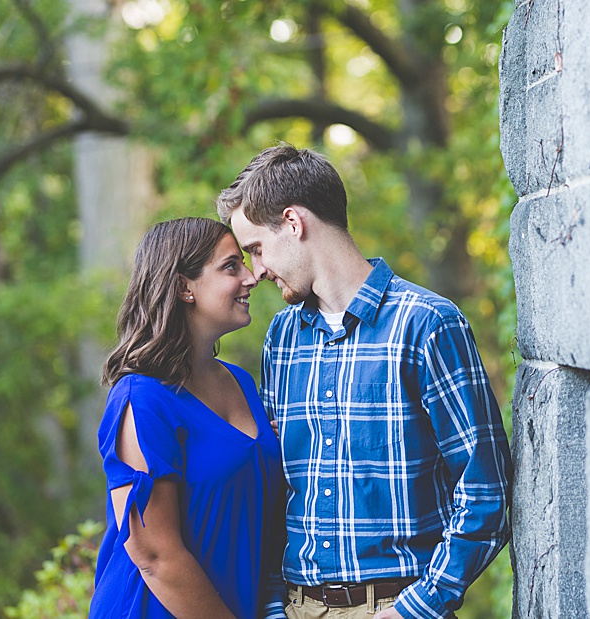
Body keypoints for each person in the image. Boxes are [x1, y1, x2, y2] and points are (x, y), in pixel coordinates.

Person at [218, 144, 511, 619]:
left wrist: (416, 608)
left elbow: (485, 490)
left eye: (256, 249)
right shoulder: (282, 339)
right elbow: (274, 492)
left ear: (294, 223)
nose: (258, 272)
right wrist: (274, 607)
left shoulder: (427, 325)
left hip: (401, 605)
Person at [90, 217, 285, 618]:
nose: (251, 277)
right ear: (183, 287)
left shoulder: (242, 383)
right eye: (231, 266)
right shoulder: (142, 398)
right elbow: (154, 555)